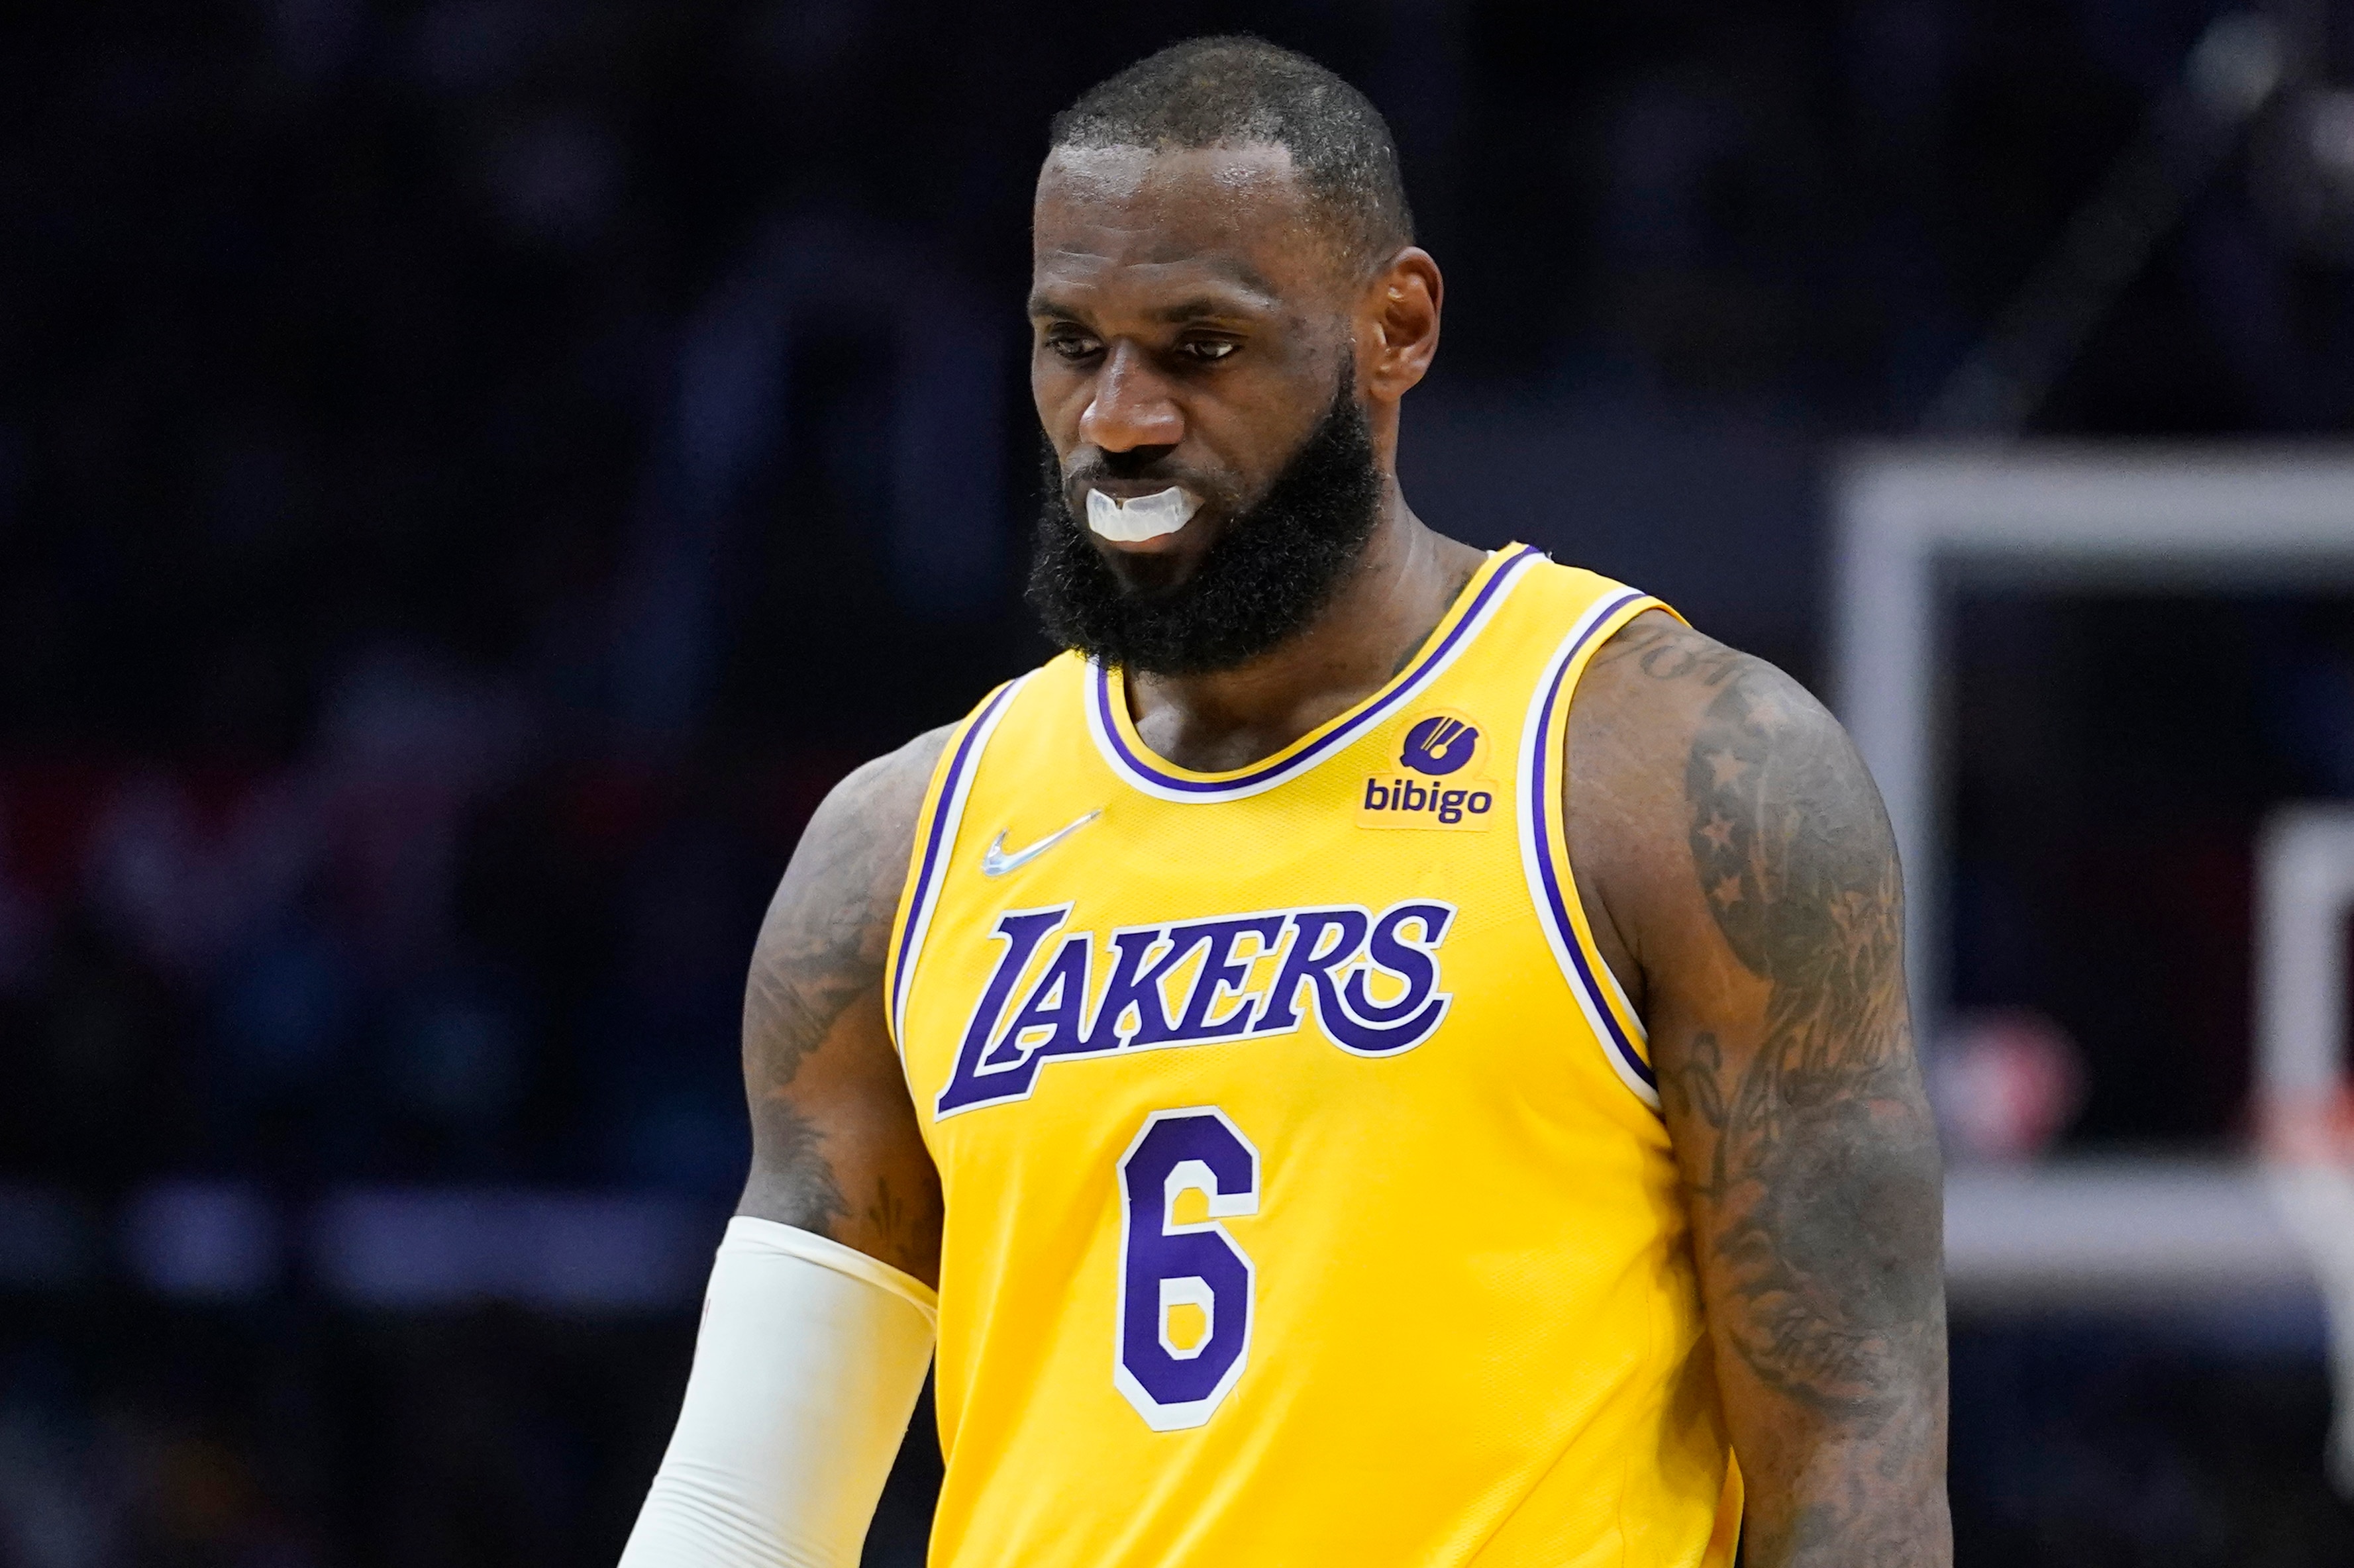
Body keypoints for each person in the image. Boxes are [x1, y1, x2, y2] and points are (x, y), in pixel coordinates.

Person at [619, 34, 1949, 1568]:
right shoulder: (898, 848)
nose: (1118, 418)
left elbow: (1854, 1474)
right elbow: (741, 1514)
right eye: (1071, 343)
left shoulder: (1671, 769)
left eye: (1199, 348)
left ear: (1395, 324)